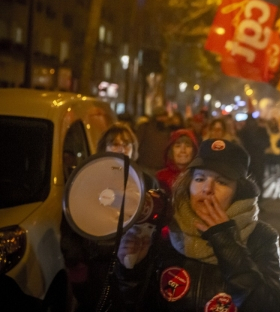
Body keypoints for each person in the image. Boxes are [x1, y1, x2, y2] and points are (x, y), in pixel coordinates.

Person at [116, 139, 280, 312]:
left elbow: (271, 307)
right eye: (199, 178)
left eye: (221, 182)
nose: (207, 188)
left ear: (238, 191)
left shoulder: (261, 237)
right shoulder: (167, 231)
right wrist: (131, 271)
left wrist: (227, 243)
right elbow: (136, 304)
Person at [60, 122, 159, 312]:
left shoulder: (145, 181)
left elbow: (152, 224)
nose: (121, 148)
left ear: (134, 149)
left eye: (126, 144)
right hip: (94, 264)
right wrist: (76, 262)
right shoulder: (87, 177)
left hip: (130, 263)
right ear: (103, 147)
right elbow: (71, 223)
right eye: (114, 143)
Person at [156, 129, 198, 196]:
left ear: (194, 151)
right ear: (171, 151)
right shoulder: (160, 177)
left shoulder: (199, 177)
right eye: (178, 146)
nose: (183, 150)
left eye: (187, 146)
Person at [238, 116, 270, 195]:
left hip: (253, 159)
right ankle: (257, 195)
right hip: (254, 159)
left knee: (254, 179)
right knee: (256, 178)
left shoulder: (244, 132)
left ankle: (256, 195)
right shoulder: (244, 132)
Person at [136, 106, 173, 173]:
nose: (162, 119)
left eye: (164, 116)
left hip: (162, 168)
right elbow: (136, 144)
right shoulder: (145, 128)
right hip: (145, 167)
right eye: (159, 116)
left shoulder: (167, 131)